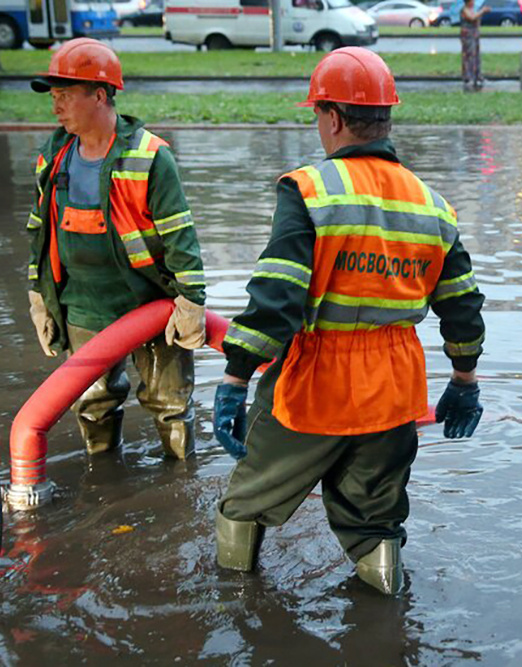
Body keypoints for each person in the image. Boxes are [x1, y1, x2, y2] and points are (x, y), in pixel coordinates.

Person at [212, 47, 486, 595]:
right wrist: (464, 379)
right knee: (376, 521)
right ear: (385, 117)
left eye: (318, 114)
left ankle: (232, 608)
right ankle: (387, 614)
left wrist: (235, 378)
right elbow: (461, 303)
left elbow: (277, 296)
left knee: (245, 503)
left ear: (333, 117)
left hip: (315, 385)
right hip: (394, 388)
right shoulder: (433, 205)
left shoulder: (308, 190)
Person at [26, 38, 207, 460]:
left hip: (152, 305)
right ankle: (103, 477)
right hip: (84, 307)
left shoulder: (149, 156)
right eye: (53, 97)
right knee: (93, 406)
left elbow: (180, 235)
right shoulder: (54, 157)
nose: (56, 107)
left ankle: (180, 478)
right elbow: (39, 233)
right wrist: (39, 294)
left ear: (100, 95)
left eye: (65, 95)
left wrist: (191, 301)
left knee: (170, 405)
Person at [460, 0, 491, 91]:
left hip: (474, 34)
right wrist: (482, 11)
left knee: (476, 55)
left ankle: (477, 76)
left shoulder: (473, 10)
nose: (473, 2)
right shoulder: (464, 10)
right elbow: (472, 18)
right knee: (469, 55)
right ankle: (468, 77)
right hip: (468, 35)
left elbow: (476, 20)